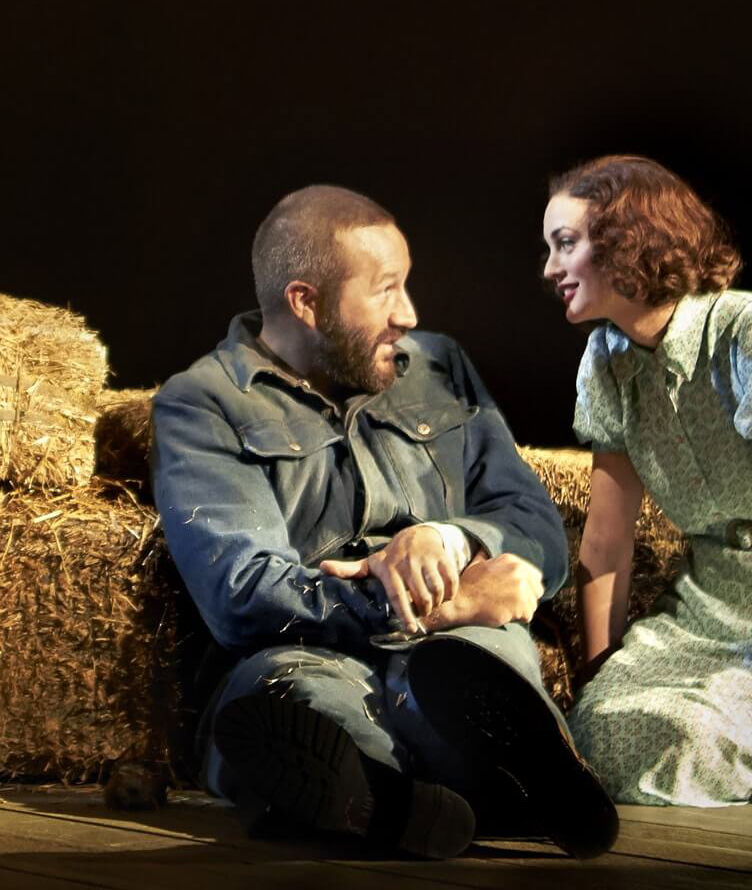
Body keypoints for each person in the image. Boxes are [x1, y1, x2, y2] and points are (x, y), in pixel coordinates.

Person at [152, 184, 617, 860]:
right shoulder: (204, 403)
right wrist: (423, 601)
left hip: (458, 643)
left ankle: (458, 791)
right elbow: (241, 594)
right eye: (385, 290)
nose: (409, 313)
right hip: (309, 649)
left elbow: (534, 525)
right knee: (291, 702)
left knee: (473, 664)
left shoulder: (438, 366)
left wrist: (451, 539)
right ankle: (416, 797)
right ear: (305, 302)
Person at [543, 154, 752, 806]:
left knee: (693, 737)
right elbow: (606, 545)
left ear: (628, 241)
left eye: (565, 244)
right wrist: (597, 678)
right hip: (707, 612)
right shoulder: (608, 362)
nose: (549, 269)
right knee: (599, 738)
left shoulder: (740, 332)